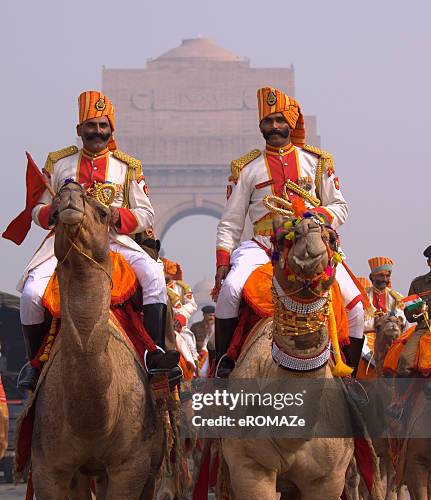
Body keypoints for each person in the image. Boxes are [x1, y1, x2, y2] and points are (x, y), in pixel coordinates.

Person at [15, 90, 179, 389]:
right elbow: (36, 208)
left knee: (154, 274)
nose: (98, 132)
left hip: (113, 240)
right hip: (64, 242)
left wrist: (118, 215)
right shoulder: (59, 163)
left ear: (111, 130)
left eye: (103, 126)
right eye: (91, 126)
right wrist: (52, 212)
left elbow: (146, 213)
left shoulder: (127, 167)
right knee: (30, 295)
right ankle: (34, 363)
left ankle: (155, 353)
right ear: (79, 130)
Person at [213, 86, 363, 376]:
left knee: (356, 306)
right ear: (260, 126)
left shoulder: (317, 163)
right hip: (262, 246)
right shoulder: (246, 169)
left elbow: (340, 207)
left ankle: (352, 377)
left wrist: (315, 215)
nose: (275, 127)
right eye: (268, 122)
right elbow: (231, 222)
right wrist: (222, 263)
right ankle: (224, 363)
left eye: (280, 120)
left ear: (291, 123)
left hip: (313, 245)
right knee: (230, 289)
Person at [397, 246, 431, 377]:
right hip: (424, 328)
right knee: (404, 360)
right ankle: (400, 397)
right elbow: (409, 316)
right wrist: (421, 308)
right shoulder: (418, 284)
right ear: (429, 263)